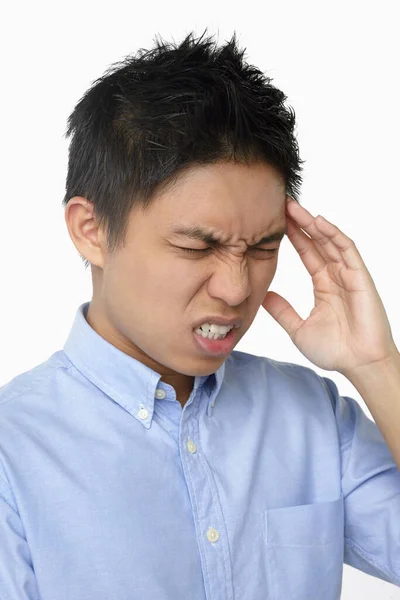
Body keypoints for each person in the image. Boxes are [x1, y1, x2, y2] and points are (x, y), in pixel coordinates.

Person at [0, 30, 399, 600]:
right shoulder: (12, 455)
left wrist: (377, 365)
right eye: (196, 247)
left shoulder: (315, 416)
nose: (237, 290)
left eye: (263, 247)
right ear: (92, 231)